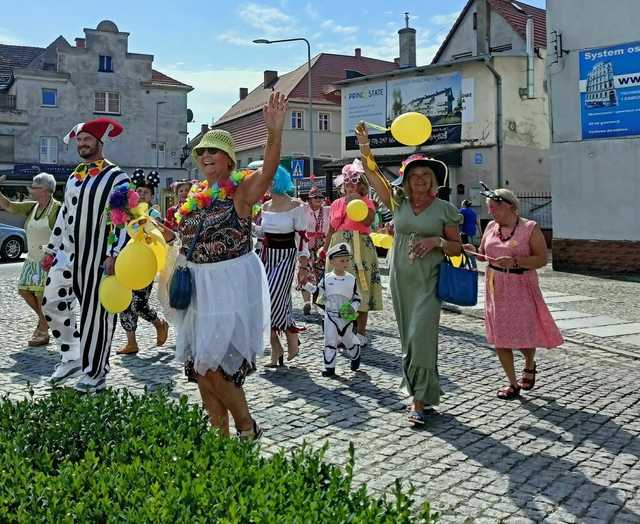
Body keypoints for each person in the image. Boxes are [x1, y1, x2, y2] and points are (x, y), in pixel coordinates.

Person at [168, 92, 287, 439]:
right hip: (196, 287)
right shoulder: (194, 196)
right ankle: (219, 435)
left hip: (228, 286)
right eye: (201, 151)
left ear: (229, 160)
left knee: (214, 366)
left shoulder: (241, 192)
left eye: (213, 151)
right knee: (199, 369)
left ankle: (247, 426)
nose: (205, 155)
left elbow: (268, 170)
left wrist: (274, 132)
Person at [355, 122, 462, 426]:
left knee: (421, 335)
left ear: (433, 181)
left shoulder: (444, 209)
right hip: (401, 279)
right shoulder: (397, 202)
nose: (419, 181)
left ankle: (417, 401)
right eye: (414, 176)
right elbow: (373, 175)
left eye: (425, 176)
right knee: (408, 339)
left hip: (429, 281)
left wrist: (437, 241)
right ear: (406, 180)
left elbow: (457, 248)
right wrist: (365, 144)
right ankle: (422, 393)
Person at [42, 117, 130, 393]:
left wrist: (114, 253)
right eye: (79, 140)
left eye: (87, 140)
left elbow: (122, 218)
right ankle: (71, 356)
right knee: (51, 301)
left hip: (99, 258)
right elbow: (64, 216)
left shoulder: (117, 176)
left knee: (96, 317)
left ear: (99, 142)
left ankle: (95, 373)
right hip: (69, 255)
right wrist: (52, 249)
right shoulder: (74, 176)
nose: (82, 144)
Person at [464, 187, 563, 400]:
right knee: (500, 337)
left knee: (525, 334)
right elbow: (483, 254)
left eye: (495, 207)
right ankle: (512, 383)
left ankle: (529, 363)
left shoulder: (530, 228)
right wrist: (471, 250)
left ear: (510, 206)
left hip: (521, 285)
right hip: (496, 286)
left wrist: (516, 261)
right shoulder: (491, 227)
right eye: (490, 208)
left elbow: (541, 259)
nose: (492, 212)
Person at [321, 159, 383, 347]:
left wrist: (357, 202)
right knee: (341, 290)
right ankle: (345, 330)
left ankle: (361, 332)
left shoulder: (367, 202)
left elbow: (367, 222)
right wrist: (325, 248)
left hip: (360, 247)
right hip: (339, 246)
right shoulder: (336, 203)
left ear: (361, 184)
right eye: (346, 182)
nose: (349, 185)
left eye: (353, 181)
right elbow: (332, 228)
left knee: (360, 289)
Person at [0, 173, 61, 346]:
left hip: (48, 260)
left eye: (35, 187)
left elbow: (64, 235)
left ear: (46, 190)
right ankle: (44, 321)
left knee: (42, 296)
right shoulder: (32, 207)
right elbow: (8, 205)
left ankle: (43, 330)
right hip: (32, 260)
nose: (31, 190)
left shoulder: (57, 209)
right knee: (24, 290)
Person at [259, 166, 310, 367]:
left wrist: (303, 265)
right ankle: (278, 346)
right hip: (266, 256)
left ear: (280, 181)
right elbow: (262, 233)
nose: (268, 184)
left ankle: (289, 335)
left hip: (286, 257)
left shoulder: (296, 205)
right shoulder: (265, 206)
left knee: (272, 298)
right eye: (266, 180)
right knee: (265, 301)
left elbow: (302, 238)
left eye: (271, 180)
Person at [116, 169, 169, 355]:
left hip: (145, 264)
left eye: (146, 192)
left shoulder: (154, 214)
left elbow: (156, 236)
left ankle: (159, 323)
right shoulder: (127, 213)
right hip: (125, 261)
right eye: (139, 191)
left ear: (153, 195)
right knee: (124, 303)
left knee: (138, 304)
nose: (142, 194)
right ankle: (131, 343)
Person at [303, 242, 361, 377]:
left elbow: (357, 298)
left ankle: (355, 353)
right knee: (330, 341)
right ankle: (329, 367)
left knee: (348, 340)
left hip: (346, 317)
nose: (345, 263)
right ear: (332, 262)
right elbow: (318, 292)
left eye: (347, 260)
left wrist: (352, 308)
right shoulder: (327, 278)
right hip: (330, 315)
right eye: (342, 260)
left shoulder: (351, 279)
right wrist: (306, 285)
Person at [301, 186, 330, 315]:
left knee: (320, 275)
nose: (318, 199)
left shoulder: (328, 210)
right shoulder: (304, 210)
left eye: (320, 197)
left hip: (322, 247)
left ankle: (316, 302)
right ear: (309, 200)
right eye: (315, 197)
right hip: (306, 245)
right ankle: (306, 302)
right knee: (305, 272)